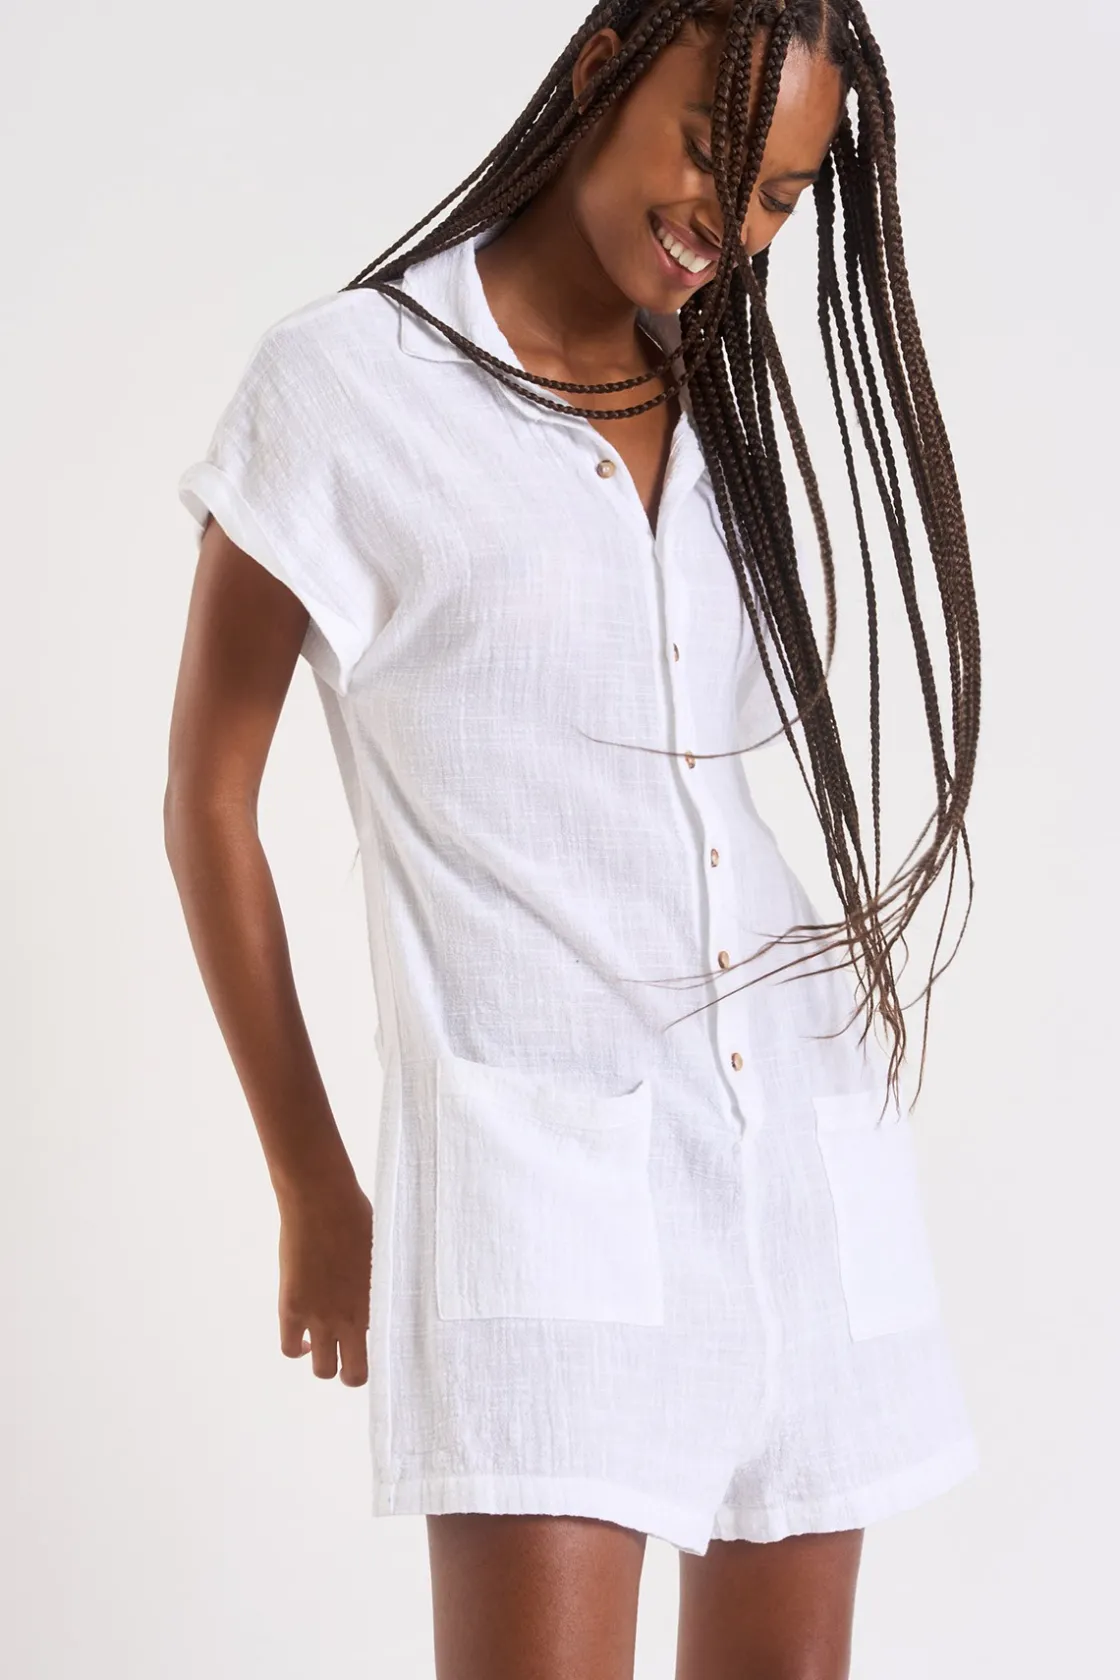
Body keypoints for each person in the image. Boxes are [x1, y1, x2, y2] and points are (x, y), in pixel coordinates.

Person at [164, 2, 982, 1675]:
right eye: (709, 150)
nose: (730, 223)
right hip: (537, 1188)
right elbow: (207, 798)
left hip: (800, 1163)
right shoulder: (348, 386)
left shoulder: (721, 403)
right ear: (606, 62)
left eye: (779, 196)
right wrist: (311, 1178)